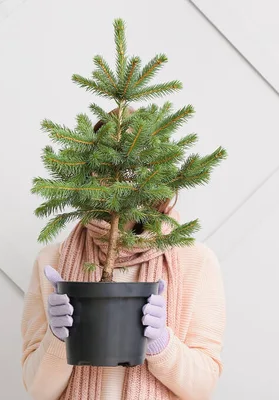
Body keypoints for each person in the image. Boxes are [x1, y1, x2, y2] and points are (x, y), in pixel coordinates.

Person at [21, 112, 226, 400]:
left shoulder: (196, 261)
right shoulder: (52, 262)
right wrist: (56, 341)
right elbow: (37, 391)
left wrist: (162, 344)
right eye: (106, 164)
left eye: (133, 165)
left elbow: (204, 386)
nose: (119, 178)